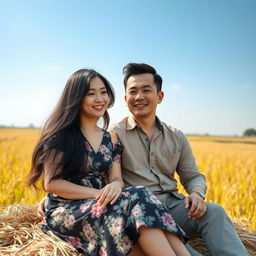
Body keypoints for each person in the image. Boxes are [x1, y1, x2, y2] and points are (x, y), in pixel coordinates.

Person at [28, 68, 191, 256]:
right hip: (68, 208)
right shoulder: (61, 136)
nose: (100, 99)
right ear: (76, 98)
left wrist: (115, 186)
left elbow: (116, 178)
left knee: (141, 196)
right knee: (138, 198)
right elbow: (52, 183)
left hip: (100, 203)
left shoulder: (111, 138)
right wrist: (98, 193)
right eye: (91, 94)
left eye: (103, 92)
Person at [107, 63, 249, 256]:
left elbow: (192, 176)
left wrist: (197, 194)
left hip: (175, 208)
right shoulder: (114, 134)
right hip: (142, 214)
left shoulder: (176, 136)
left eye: (146, 90)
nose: (139, 96)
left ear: (160, 97)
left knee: (214, 212)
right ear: (126, 98)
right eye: (133, 91)